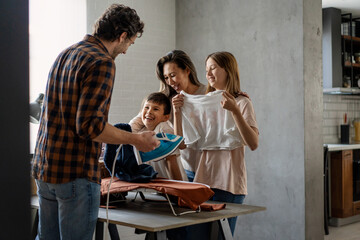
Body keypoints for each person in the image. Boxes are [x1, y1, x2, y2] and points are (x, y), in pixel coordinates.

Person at [31, 4, 159, 240]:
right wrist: (135, 139)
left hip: (45, 170)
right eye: (129, 43)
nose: (126, 51)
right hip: (74, 174)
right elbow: (90, 126)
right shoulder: (102, 62)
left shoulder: (66, 53)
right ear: (121, 35)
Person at [172, 51, 259, 237]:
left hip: (229, 183)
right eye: (206, 70)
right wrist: (178, 113)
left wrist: (235, 111)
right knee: (195, 237)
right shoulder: (203, 104)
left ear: (228, 70)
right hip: (203, 182)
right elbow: (181, 144)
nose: (208, 74)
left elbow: (253, 143)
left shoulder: (242, 102)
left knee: (220, 236)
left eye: (213, 68)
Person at [130, 50, 206, 180]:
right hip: (186, 167)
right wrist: (123, 136)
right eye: (166, 77)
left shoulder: (207, 94)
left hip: (208, 168)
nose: (170, 82)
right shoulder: (165, 100)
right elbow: (139, 120)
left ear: (187, 70)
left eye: (173, 75)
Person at [132, 92, 187, 180]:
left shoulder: (164, 129)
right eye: (146, 107)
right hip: (154, 184)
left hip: (171, 184)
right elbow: (127, 129)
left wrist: (178, 191)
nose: (149, 112)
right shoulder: (141, 131)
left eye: (156, 109)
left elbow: (172, 162)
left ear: (165, 117)